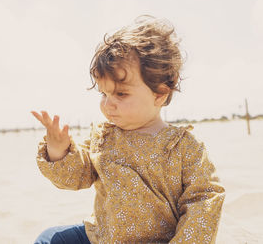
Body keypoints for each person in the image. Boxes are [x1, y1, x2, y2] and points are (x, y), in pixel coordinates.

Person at [31, 16, 225, 244]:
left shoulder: (183, 146)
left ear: (160, 93)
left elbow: (203, 199)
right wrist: (59, 150)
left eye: (121, 94)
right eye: (104, 94)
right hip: (102, 237)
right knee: (50, 238)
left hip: (158, 240)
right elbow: (77, 176)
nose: (108, 104)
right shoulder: (103, 137)